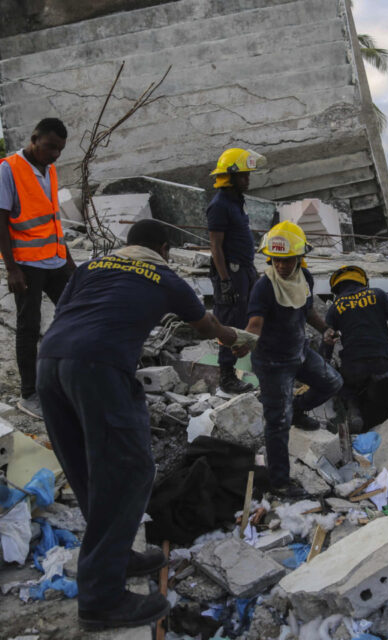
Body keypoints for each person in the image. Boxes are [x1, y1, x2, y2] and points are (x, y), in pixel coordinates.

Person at [36, 219, 245, 631]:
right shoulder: (166, 277)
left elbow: (65, 313)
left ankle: (115, 557)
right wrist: (234, 337)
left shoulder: (90, 268)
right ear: (164, 248)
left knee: (85, 468)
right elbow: (206, 326)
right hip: (100, 367)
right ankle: (101, 600)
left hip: (50, 363)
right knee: (129, 471)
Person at [243, 221, 343, 498]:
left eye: (287, 260)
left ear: (300, 258)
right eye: (277, 260)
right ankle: (279, 482)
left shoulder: (305, 279)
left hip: (299, 352)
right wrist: (243, 344)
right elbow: (255, 323)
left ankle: (298, 410)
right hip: (273, 363)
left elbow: (306, 310)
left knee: (332, 382)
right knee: (277, 423)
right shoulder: (264, 287)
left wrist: (325, 329)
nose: (282, 266)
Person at [0, 118, 75, 419]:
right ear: (34, 139)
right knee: (28, 327)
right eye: (50, 147)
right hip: (27, 265)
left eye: (59, 149)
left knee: (76, 311)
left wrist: (68, 257)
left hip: (56, 260)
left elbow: (52, 219)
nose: (55, 154)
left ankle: (66, 373)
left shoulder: (51, 169)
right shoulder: (8, 169)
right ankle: (29, 393)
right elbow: (1, 221)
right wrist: (12, 269)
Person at [207, 147, 266, 393]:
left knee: (250, 316)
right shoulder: (219, 205)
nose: (247, 179)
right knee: (229, 321)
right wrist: (225, 281)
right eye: (243, 175)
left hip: (245, 269)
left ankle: (258, 366)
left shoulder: (236, 201)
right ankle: (227, 377)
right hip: (231, 272)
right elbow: (216, 247)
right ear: (230, 177)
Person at [325, 265, 388, 432]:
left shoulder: (335, 308)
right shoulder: (379, 295)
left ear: (337, 288)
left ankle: (353, 406)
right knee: (381, 397)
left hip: (353, 368)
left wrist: (326, 364)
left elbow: (327, 341)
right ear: (363, 282)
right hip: (381, 363)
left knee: (344, 385)